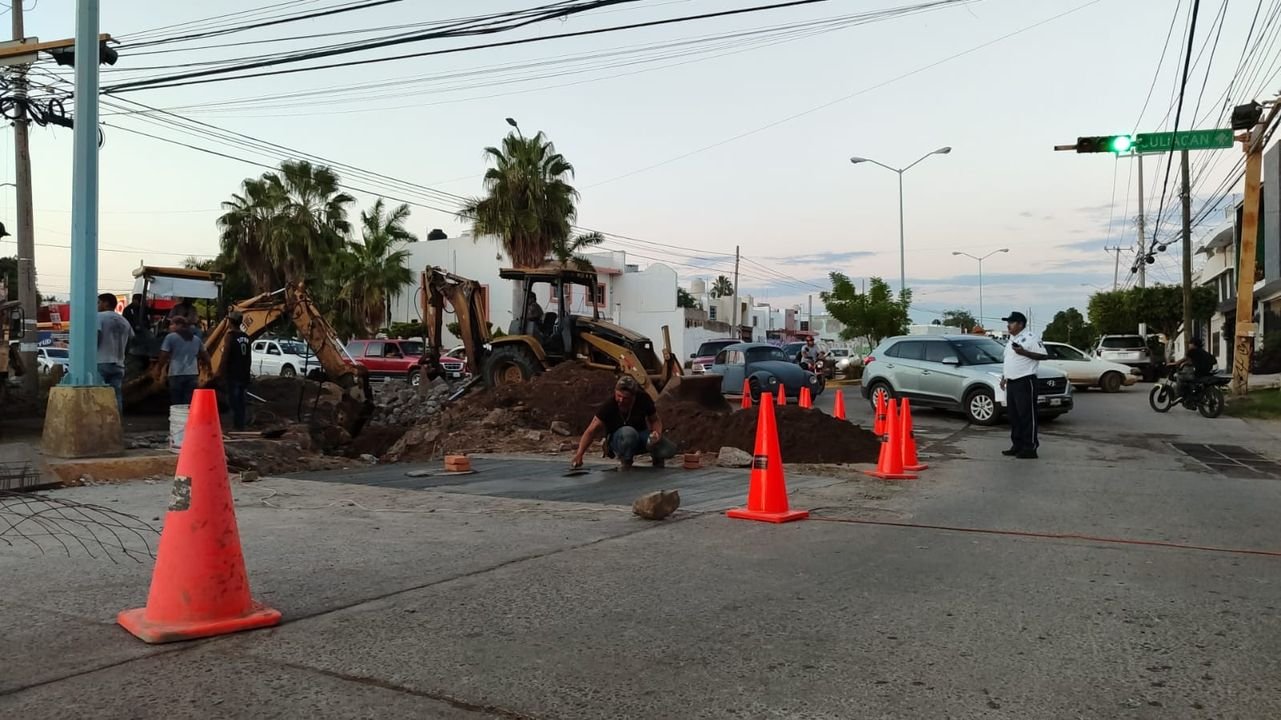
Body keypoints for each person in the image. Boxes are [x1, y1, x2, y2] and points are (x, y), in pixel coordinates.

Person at [571, 375, 675, 471]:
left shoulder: (643, 399)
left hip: (638, 436)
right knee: (628, 433)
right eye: (618, 396)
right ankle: (626, 460)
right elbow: (591, 430)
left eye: (626, 398)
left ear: (634, 396)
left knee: (667, 449)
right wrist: (579, 454)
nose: (620, 400)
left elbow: (655, 420)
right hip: (618, 440)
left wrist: (656, 433)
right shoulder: (609, 405)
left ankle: (657, 460)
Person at [999, 311, 1048, 460]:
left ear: (1020, 324)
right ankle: (1017, 445)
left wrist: (1024, 352)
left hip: (1025, 381)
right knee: (1014, 416)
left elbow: (1043, 355)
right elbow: (1009, 361)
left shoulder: (1031, 338)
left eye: (1011, 322)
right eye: (1008, 322)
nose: (1008, 325)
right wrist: (1004, 377)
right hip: (1012, 382)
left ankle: (1030, 447)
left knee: (1027, 416)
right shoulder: (1011, 340)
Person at [159, 316, 210, 406]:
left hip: (176, 374)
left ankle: (178, 419)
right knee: (188, 403)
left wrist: (159, 369)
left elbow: (164, 354)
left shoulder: (170, 337)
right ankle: (187, 419)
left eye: (172, 324)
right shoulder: (196, 339)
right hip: (192, 375)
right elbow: (205, 356)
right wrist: (209, 368)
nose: (170, 327)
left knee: (176, 402)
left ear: (180, 325)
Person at [96, 292, 133, 415]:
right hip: (119, 364)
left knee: (100, 395)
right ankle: (116, 422)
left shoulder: (99, 317)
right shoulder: (124, 321)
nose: (97, 305)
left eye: (99, 302)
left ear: (106, 303)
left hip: (101, 361)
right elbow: (131, 340)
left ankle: (102, 424)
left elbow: (96, 336)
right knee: (116, 396)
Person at [225, 311, 252, 431]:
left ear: (231, 321)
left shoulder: (230, 336)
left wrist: (220, 372)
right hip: (244, 374)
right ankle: (241, 424)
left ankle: (236, 425)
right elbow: (249, 358)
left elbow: (225, 355)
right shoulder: (246, 337)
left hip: (233, 374)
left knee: (233, 400)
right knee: (241, 401)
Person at [1176, 337, 1217, 403]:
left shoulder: (1192, 351)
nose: (1189, 345)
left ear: (1193, 344)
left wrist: (1172, 363)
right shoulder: (1205, 352)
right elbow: (1194, 362)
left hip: (1198, 374)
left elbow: (1182, 360)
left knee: (1179, 377)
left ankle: (1180, 395)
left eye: (1190, 343)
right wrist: (1186, 363)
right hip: (1207, 373)